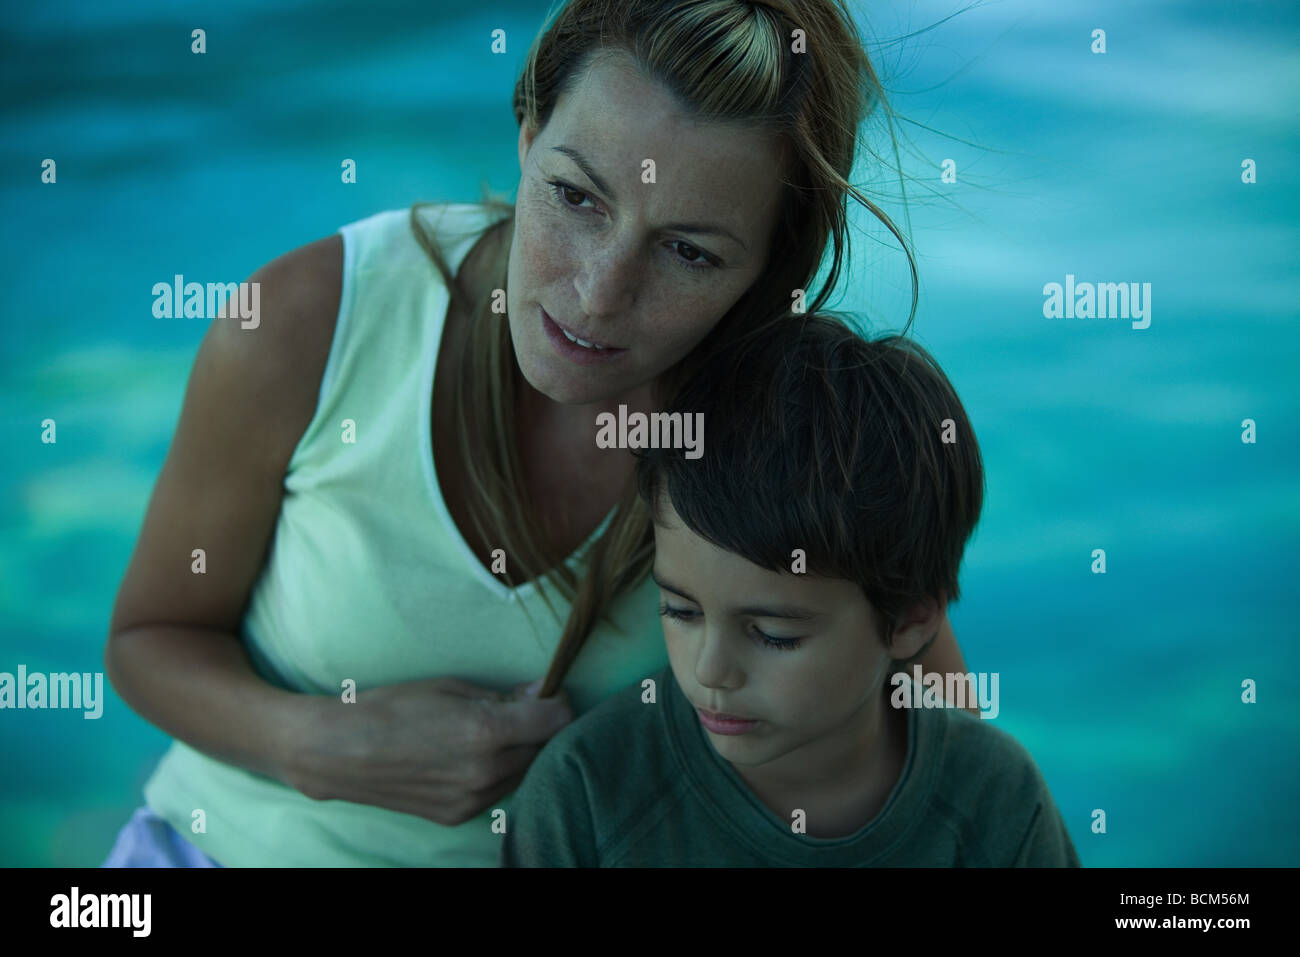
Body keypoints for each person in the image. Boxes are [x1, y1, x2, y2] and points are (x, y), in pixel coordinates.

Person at [102, 0, 976, 867]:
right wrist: (316, 745)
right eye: (573, 196)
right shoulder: (305, 326)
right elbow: (148, 640)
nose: (598, 292)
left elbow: (945, 756)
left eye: (690, 253)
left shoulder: (790, 433)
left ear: (769, 267)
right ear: (526, 131)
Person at [502, 315, 1080, 866]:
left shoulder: (997, 800)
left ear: (908, 620)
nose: (711, 670)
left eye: (774, 635)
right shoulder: (585, 795)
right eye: (680, 610)